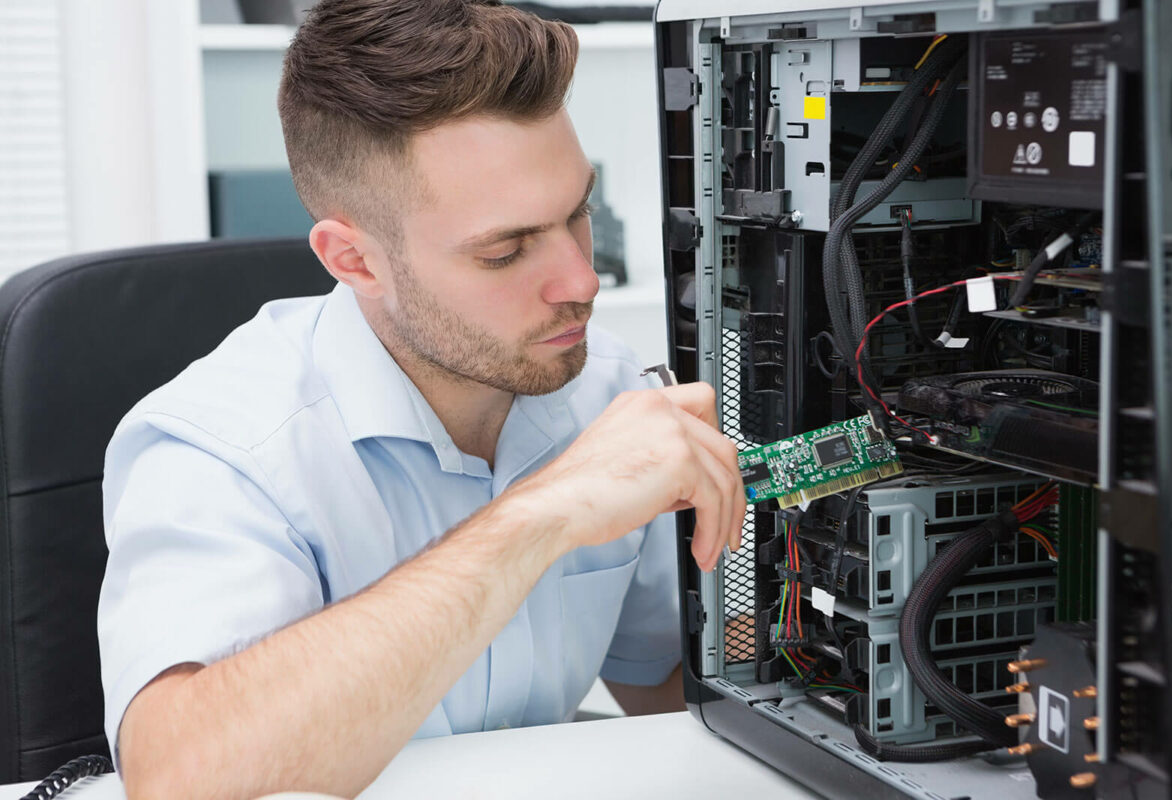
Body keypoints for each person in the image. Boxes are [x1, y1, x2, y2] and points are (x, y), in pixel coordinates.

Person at [96, 1, 746, 798]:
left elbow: (666, 688)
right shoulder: (220, 447)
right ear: (354, 259)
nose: (583, 281)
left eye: (578, 212)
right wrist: (539, 516)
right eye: (504, 252)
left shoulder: (605, 389)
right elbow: (178, 777)